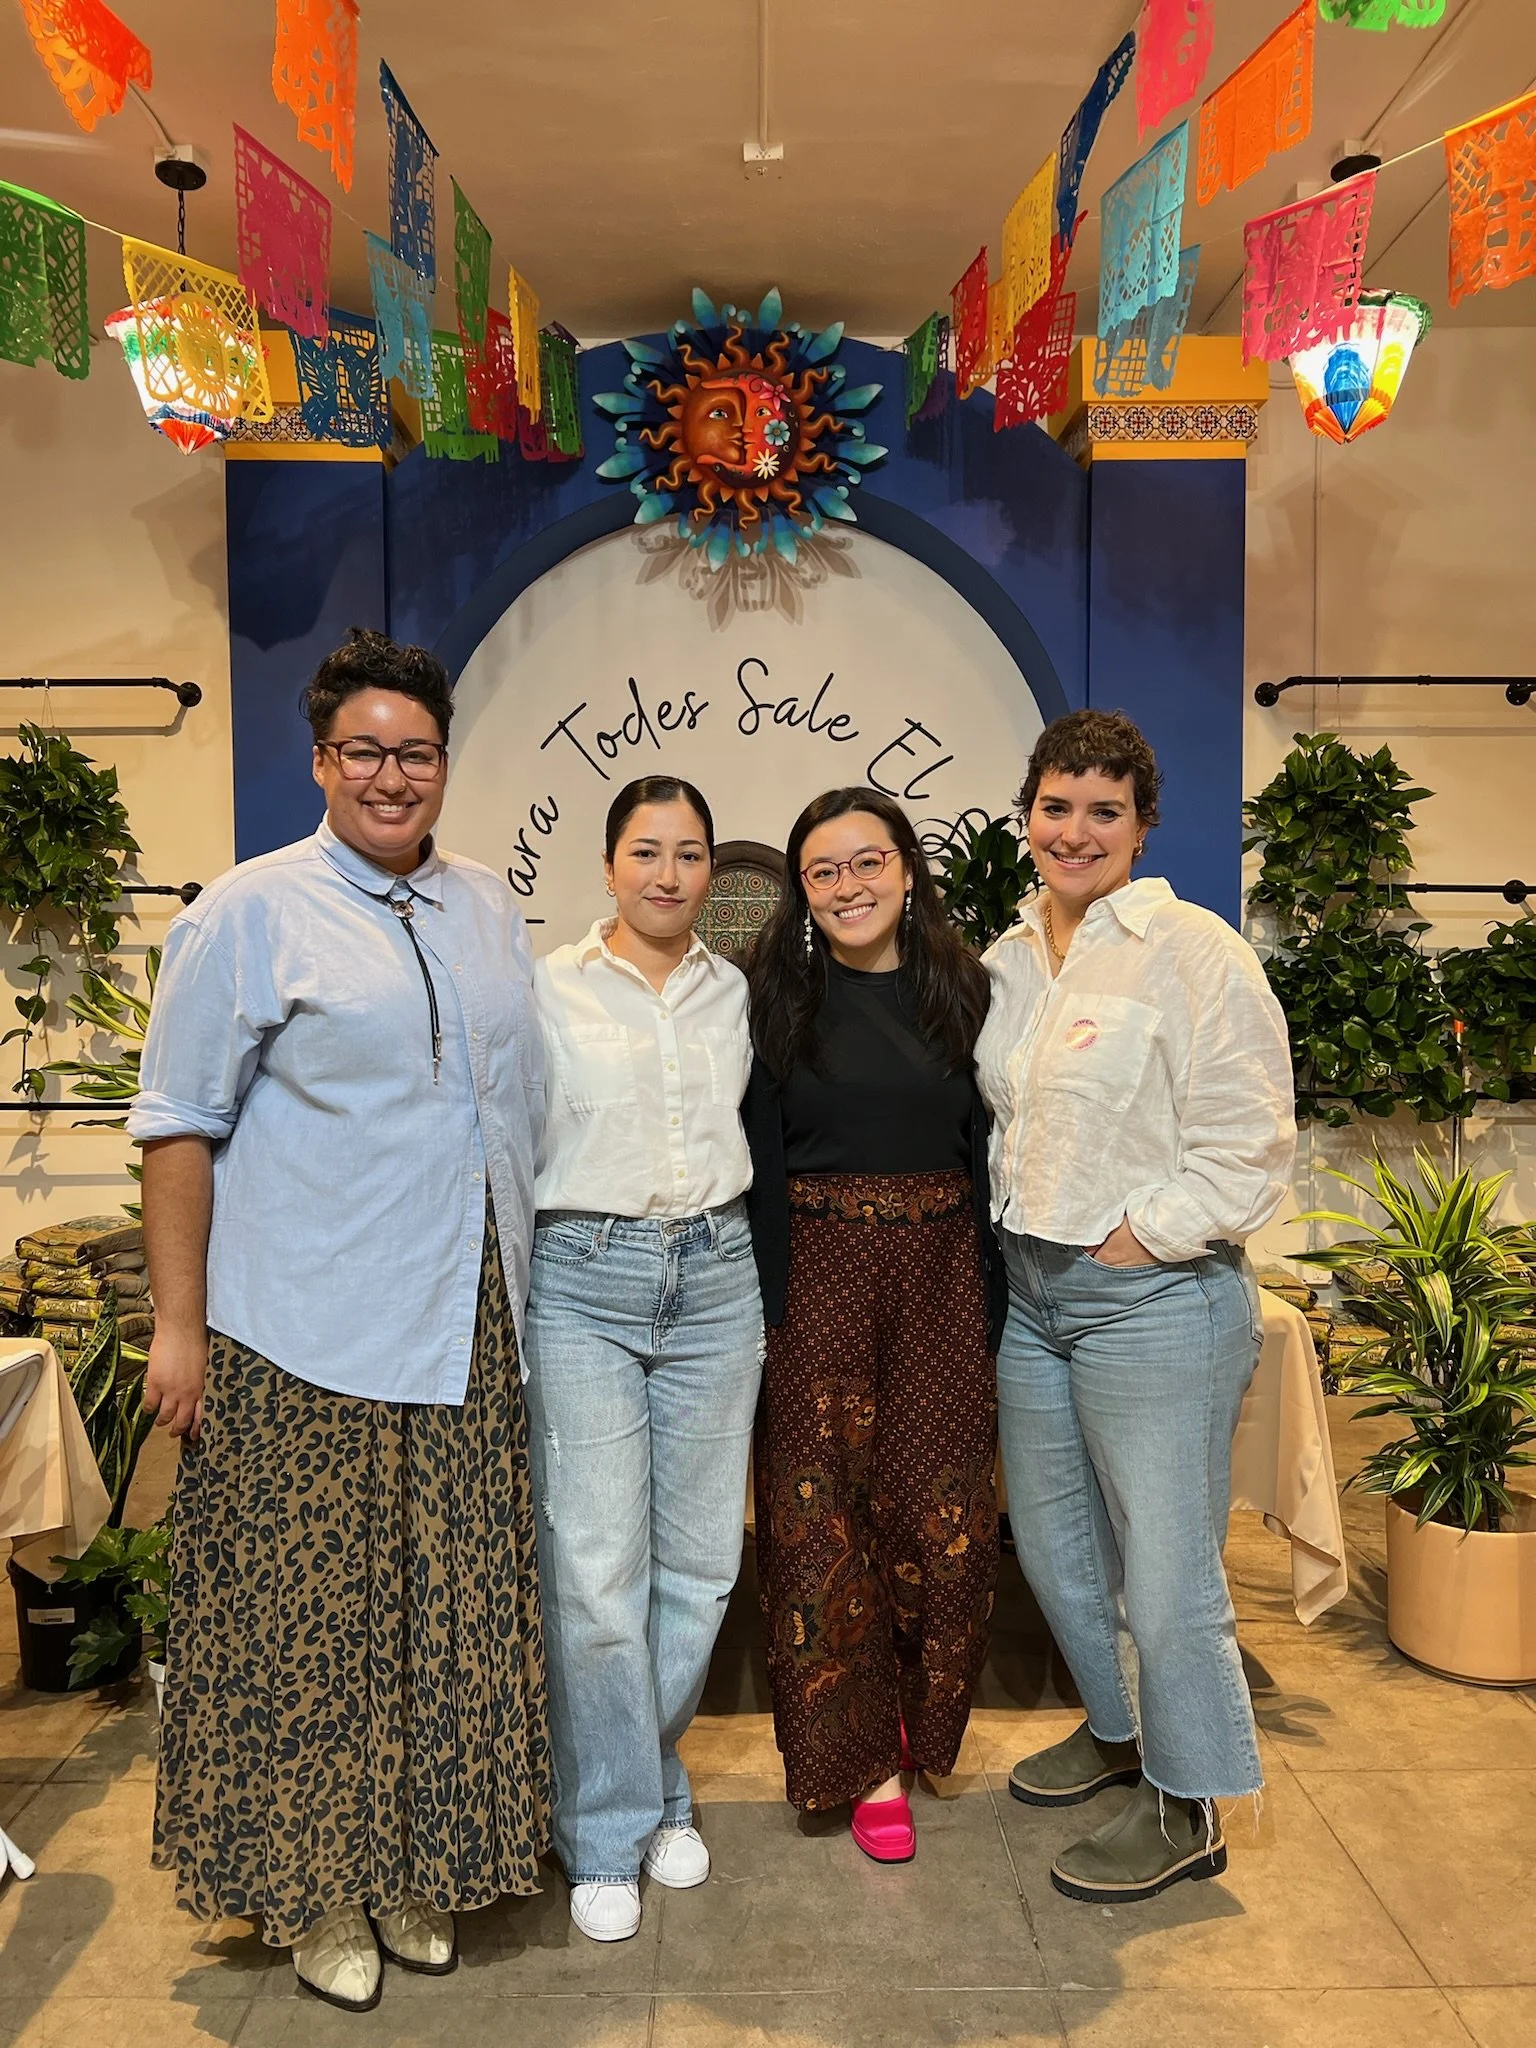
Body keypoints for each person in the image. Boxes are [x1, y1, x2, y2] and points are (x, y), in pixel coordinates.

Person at [128, 629, 550, 2011]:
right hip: (302, 1325)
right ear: (320, 761)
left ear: (444, 764)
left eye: (415, 752)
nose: (391, 775)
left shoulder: (483, 905)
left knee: (438, 1613)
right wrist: (179, 1325)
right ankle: (314, 1889)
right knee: (307, 1620)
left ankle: (409, 1865)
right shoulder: (247, 913)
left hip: (463, 1316)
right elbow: (177, 1128)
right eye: (363, 751)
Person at [976, 709, 1296, 1905]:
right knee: (1059, 1549)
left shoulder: (1195, 951)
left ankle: (1188, 1799)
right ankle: (1119, 1728)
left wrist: (1142, 1234)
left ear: (1143, 824)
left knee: (1167, 1572)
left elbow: (1252, 1139)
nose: (1076, 831)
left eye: (1103, 810)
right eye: (1056, 807)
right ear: (1028, 816)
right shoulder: (1008, 959)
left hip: (1150, 1296)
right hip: (1032, 1293)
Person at [524, 776, 763, 1944]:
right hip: (584, 1278)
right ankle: (610, 1825)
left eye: (690, 853)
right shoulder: (549, 986)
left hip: (718, 1276)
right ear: (609, 863)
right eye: (647, 850)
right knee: (595, 1573)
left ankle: (647, 1772)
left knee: (704, 1568)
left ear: (711, 868)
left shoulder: (736, 991)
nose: (669, 873)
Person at [744, 787, 1003, 1862]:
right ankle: (859, 1763)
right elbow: (758, 1168)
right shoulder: (772, 1000)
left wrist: (990, 1297)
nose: (848, 885)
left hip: (944, 1279)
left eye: (867, 862)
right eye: (824, 870)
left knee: (945, 1520)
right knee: (820, 1525)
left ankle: (920, 1724)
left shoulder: (970, 991)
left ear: (906, 867)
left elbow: (990, 1154)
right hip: (817, 1282)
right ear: (802, 889)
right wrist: (766, 1312)